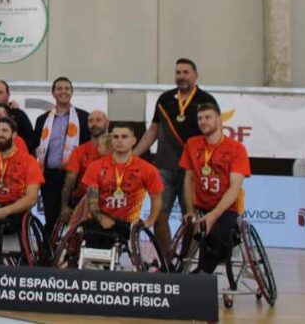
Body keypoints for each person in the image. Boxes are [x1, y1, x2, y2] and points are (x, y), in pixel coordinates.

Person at [133, 58, 219, 256]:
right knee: (159, 214)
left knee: (191, 216)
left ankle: (185, 263)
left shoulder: (206, 100)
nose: (181, 76)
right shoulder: (165, 99)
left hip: (193, 169)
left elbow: (214, 133)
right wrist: (133, 156)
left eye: (186, 72)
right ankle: (166, 260)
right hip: (163, 166)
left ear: (196, 76)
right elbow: (153, 130)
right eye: (178, 72)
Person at [180, 103, 251, 274]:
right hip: (202, 205)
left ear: (219, 120)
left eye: (208, 117)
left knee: (215, 238)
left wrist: (213, 215)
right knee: (193, 236)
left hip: (227, 207)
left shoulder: (236, 148)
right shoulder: (192, 144)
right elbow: (188, 179)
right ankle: (181, 273)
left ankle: (202, 273)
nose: (203, 122)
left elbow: (235, 187)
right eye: (200, 118)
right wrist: (190, 210)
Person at [81, 124, 163, 249]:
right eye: (116, 137)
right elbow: (92, 199)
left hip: (128, 222)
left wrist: (151, 220)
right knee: (92, 236)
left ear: (133, 140)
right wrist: (100, 217)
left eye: (124, 137)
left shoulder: (147, 169)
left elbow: (156, 197)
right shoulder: (96, 166)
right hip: (100, 218)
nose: (120, 140)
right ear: (111, 141)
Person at [33, 77, 91, 239]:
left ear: (72, 92)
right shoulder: (42, 119)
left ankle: (71, 256)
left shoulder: (83, 118)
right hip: (50, 175)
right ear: (53, 93)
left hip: (75, 177)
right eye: (59, 88)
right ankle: (50, 256)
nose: (63, 91)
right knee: (51, 218)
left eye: (67, 88)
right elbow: (35, 146)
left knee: (74, 219)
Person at [0, 117, 44, 235]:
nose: (0, 134)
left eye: (4, 130)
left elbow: (31, 198)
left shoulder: (30, 162)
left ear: (14, 135)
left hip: (17, 209)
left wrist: (6, 211)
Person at [60, 110, 110, 229]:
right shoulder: (79, 151)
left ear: (107, 123)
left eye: (98, 120)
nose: (94, 124)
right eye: (90, 121)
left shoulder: (117, 147)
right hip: (83, 198)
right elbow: (69, 182)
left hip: (111, 199)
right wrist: (64, 207)